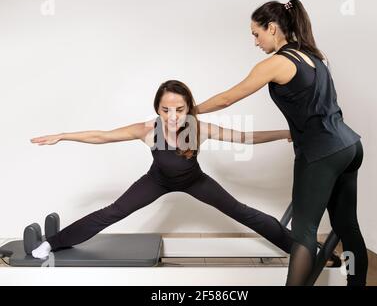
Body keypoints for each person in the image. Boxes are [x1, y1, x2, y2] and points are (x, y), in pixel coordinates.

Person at [195, 0, 367, 286]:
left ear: (272, 28)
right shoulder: (313, 56)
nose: (255, 41)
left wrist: (190, 110)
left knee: (303, 235)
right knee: (347, 228)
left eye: (256, 33)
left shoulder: (276, 63)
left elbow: (228, 97)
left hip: (321, 154)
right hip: (349, 146)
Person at [30, 79, 293, 260]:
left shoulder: (198, 129)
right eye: (165, 109)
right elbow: (103, 136)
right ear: (157, 108)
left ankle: (298, 248)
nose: (172, 115)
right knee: (113, 212)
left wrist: (285, 132)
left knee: (241, 211)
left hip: (194, 181)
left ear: (188, 107)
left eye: (179, 109)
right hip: (157, 181)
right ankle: (52, 243)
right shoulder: (147, 129)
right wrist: (64, 135)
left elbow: (244, 137)